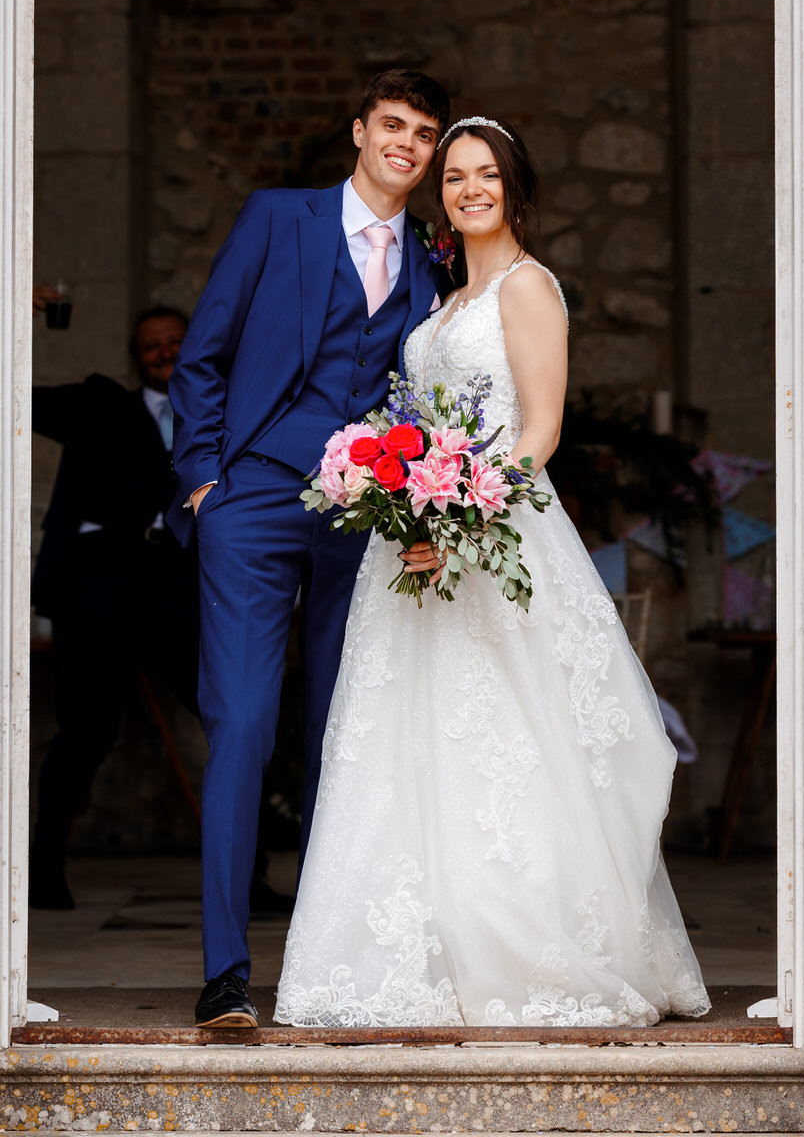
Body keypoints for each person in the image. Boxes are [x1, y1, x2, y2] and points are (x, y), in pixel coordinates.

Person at [275, 117, 711, 1028]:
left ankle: (525, 941)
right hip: (416, 552)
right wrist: (398, 502)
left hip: (493, 531)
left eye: (487, 175)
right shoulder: (438, 309)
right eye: (456, 176)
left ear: (514, 188)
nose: (470, 188)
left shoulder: (529, 288)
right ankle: (416, 951)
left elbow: (541, 427)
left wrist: (463, 515)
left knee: (511, 742)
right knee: (408, 743)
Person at [168, 68, 452, 1028]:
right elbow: (202, 352)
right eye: (392, 126)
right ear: (360, 132)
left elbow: (425, 397)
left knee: (344, 735)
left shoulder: (428, 263)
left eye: (422, 134)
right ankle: (225, 974)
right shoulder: (277, 217)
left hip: (358, 519)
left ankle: (331, 969)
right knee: (242, 721)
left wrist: (417, 512)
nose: (404, 145)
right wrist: (204, 477)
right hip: (247, 499)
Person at [28, 302, 199, 910]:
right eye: (150, 344)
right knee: (87, 726)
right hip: (98, 578)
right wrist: (16, 309)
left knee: (230, 713)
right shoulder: (100, 403)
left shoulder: (222, 410)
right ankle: (42, 870)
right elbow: (4, 388)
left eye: (174, 340)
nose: (163, 352)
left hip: (182, 578)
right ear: (136, 357)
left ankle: (248, 876)